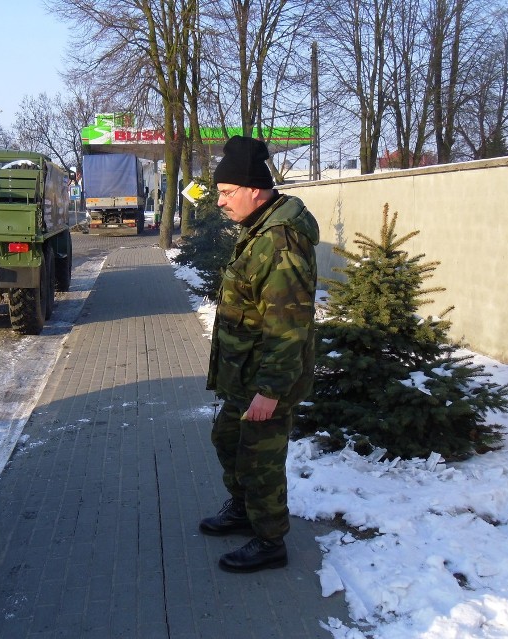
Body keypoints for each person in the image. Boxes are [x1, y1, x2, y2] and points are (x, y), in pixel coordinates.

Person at [201, 135, 319, 573]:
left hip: (266, 380)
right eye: (218, 193)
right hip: (245, 373)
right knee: (229, 439)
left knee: (260, 457)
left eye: (226, 192)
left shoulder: (279, 243)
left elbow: (289, 326)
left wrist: (270, 391)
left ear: (254, 189)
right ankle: (244, 509)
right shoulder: (258, 230)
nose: (220, 202)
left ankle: (270, 540)